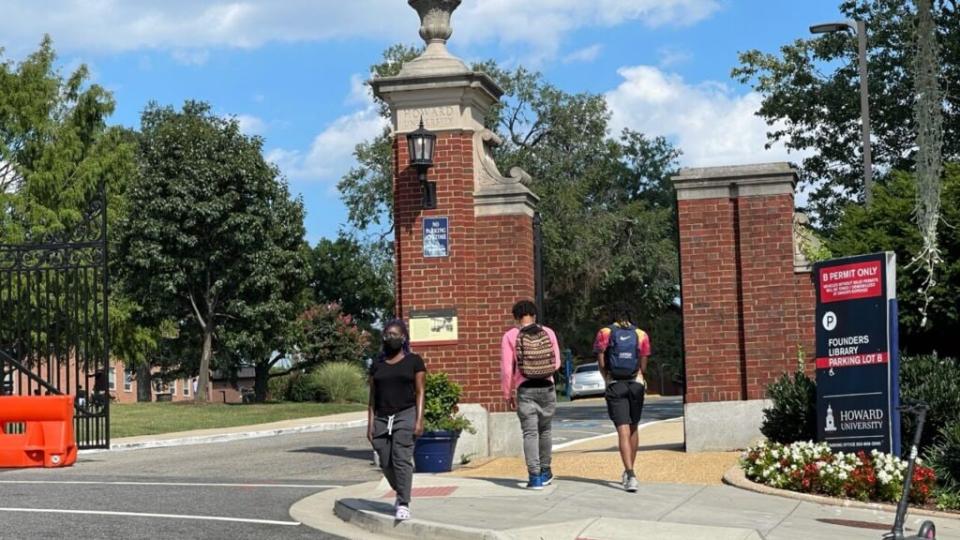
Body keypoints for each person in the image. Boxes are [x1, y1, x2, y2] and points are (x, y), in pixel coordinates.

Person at [367, 320, 425, 521]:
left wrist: (419, 420)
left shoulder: (414, 361)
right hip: (382, 416)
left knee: (401, 458)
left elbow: (420, 391)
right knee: (385, 461)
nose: (390, 338)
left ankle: (403, 502)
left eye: (394, 334)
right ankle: (401, 489)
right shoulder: (377, 365)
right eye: (387, 334)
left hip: (406, 413)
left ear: (403, 338)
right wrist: (370, 424)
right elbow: (372, 397)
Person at [500, 299, 561, 490]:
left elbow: (506, 369)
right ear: (534, 316)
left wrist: (507, 394)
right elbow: (557, 363)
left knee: (530, 433)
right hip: (547, 387)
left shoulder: (510, 336)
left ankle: (534, 477)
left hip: (525, 389)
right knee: (546, 430)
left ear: (516, 318)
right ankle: (545, 471)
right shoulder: (548, 332)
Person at [593, 303, 651, 492]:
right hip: (636, 384)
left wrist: (607, 378)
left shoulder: (605, 332)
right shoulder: (641, 334)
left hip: (615, 384)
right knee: (634, 427)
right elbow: (644, 365)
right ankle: (630, 471)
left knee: (622, 430)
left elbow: (601, 361)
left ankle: (630, 473)